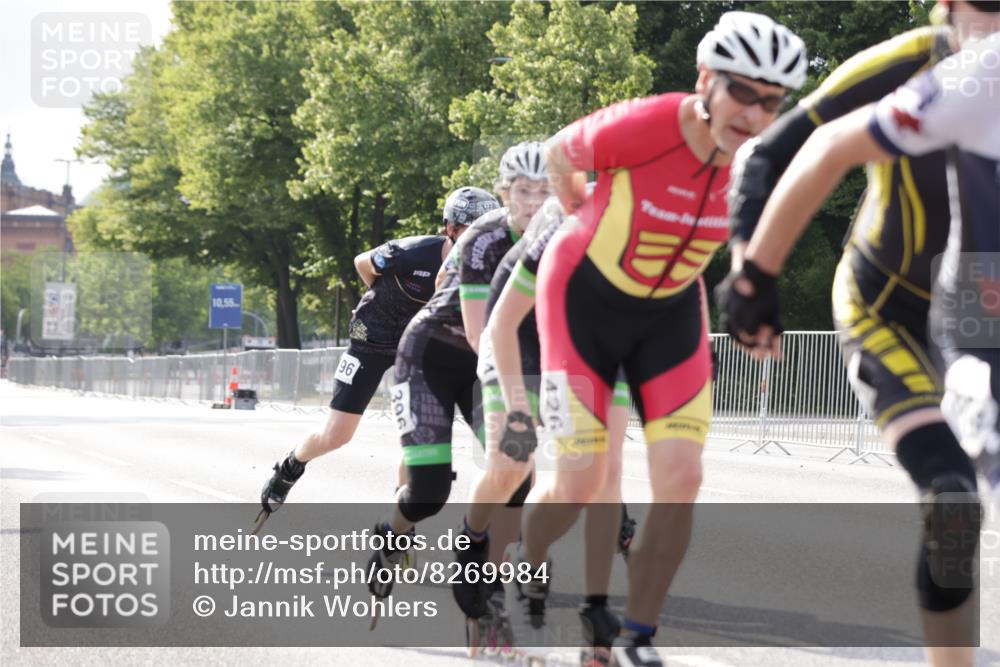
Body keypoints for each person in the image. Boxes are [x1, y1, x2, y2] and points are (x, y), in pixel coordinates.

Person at [511, 12, 806, 667]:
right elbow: (560, 151)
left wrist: (755, 296)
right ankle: (526, 555)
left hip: (671, 310)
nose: (754, 114)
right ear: (706, 80)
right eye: (741, 91)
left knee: (682, 477)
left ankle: (638, 635)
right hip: (582, 298)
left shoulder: (762, 156)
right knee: (580, 482)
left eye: (771, 101)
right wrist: (581, 209)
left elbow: (754, 232)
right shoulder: (651, 123)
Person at [715, 9, 999, 666]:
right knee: (953, 501)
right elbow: (770, 152)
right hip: (886, 304)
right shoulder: (917, 63)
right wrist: (753, 271)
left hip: (979, 318)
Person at [456, 191, 634, 665]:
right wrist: (518, 408)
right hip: (514, 331)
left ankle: (538, 567)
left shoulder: (651, 242)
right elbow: (496, 329)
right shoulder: (558, 231)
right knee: (513, 461)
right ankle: (473, 538)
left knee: (601, 471)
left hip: (582, 338)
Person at [366, 143, 550, 599]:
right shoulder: (484, 237)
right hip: (432, 356)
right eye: (523, 192)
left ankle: (485, 569)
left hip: (492, 357)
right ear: (504, 192)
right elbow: (477, 332)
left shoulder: (563, 233)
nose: (533, 203)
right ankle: (391, 535)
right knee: (429, 492)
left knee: (517, 472)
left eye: (543, 192)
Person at [256, 201, 473, 524]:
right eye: (472, 229)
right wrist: (382, 295)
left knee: (420, 433)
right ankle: (290, 466)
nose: (481, 237)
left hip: (418, 347)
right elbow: (362, 262)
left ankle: (402, 513)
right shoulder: (411, 252)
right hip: (372, 338)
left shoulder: (484, 264)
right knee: (337, 434)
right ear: (451, 229)